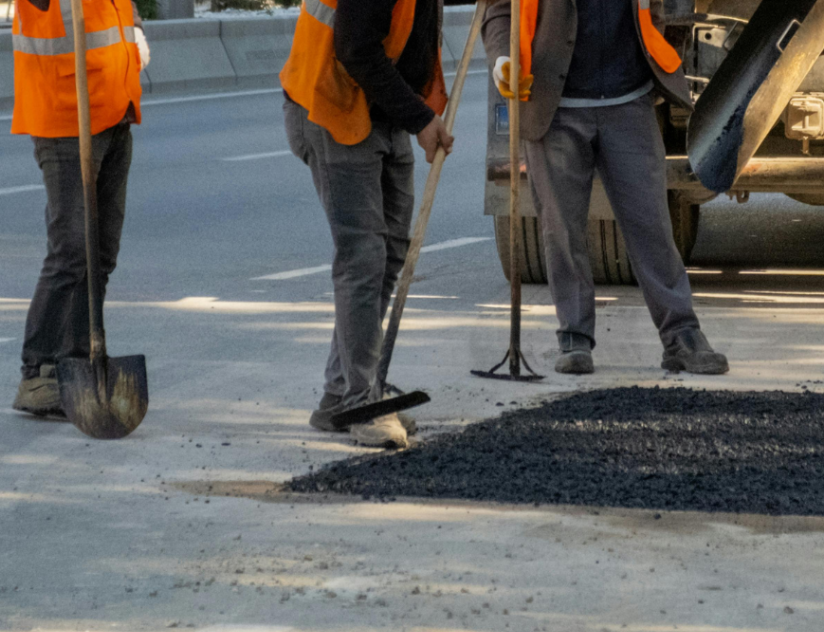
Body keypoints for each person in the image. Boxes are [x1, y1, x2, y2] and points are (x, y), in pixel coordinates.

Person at [482, 0, 729, 375]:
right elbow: (499, 10)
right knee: (561, 230)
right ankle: (574, 336)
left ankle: (682, 333)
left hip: (628, 101)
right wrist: (502, 59)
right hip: (554, 105)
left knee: (652, 226)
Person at [280, 0, 453, 448]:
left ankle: (341, 394)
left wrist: (421, 111)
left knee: (392, 249)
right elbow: (356, 48)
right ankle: (359, 400)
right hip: (333, 103)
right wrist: (420, 118)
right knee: (363, 256)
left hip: (382, 104)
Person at [9, 0, 145, 415]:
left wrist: (135, 33)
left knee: (101, 251)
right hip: (66, 116)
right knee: (71, 249)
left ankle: (78, 358)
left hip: (114, 107)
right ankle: (39, 371)